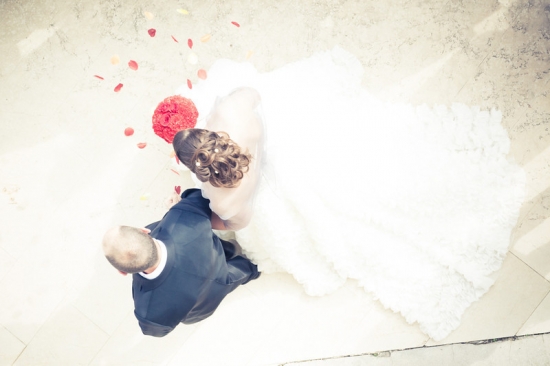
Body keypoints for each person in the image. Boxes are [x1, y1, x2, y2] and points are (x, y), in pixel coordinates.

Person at [171, 47, 525, 341]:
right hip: (294, 150)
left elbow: (241, 221)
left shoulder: (223, 197)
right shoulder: (231, 112)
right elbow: (253, 93)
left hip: (276, 185)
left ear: (196, 167)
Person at [101, 188, 260, 337]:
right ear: (145, 231)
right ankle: (239, 257)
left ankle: (253, 270)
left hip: (204, 304)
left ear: (123, 272)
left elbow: (157, 330)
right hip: (212, 254)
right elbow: (200, 197)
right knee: (237, 259)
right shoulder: (183, 215)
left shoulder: (148, 312)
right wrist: (178, 207)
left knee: (244, 272)